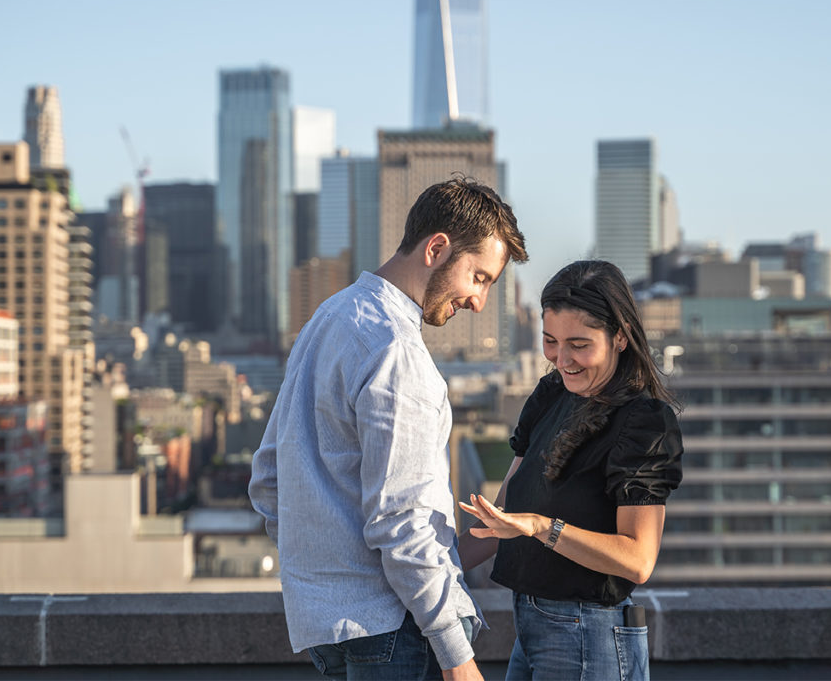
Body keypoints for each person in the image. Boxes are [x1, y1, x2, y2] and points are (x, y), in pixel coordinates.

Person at [249, 178, 528, 681]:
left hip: (330, 628)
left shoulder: (327, 319)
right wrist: (457, 656)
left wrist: (326, 573)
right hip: (398, 627)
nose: (479, 301)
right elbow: (403, 521)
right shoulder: (396, 351)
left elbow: (269, 479)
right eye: (480, 277)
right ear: (437, 248)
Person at [458, 260, 683, 681]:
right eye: (550, 342)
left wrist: (543, 527)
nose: (562, 359)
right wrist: (431, 574)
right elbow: (501, 518)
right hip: (530, 628)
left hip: (591, 637)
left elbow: (638, 559)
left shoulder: (644, 422)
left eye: (579, 344)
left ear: (620, 336)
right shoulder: (549, 395)